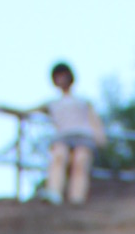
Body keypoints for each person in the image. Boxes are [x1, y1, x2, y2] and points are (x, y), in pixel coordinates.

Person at [41, 62, 105, 206]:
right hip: (63, 136)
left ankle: (77, 198)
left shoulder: (83, 101)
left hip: (84, 136)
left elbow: (94, 119)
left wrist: (100, 137)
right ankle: (54, 192)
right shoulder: (52, 103)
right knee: (58, 157)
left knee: (80, 162)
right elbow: (27, 111)